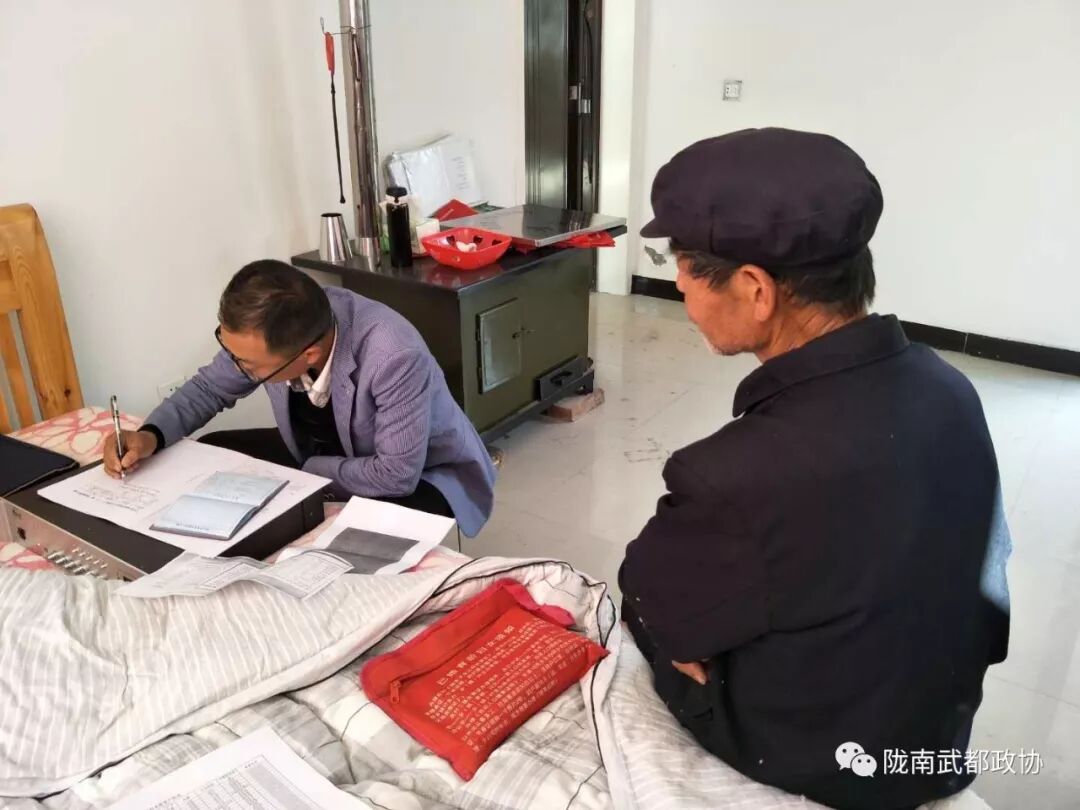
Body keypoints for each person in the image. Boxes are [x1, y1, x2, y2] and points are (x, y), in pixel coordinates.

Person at [619, 128, 1011, 810]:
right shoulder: (948, 388)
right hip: (933, 735)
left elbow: (654, 596)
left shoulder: (736, 474)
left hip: (826, 758)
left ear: (755, 289)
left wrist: (674, 632)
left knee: (642, 616)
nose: (677, 284)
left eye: (682, 264)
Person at [104, 259, 496, 537]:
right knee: (215, 447)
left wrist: (306, 475)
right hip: (330, 450)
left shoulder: (394, 356)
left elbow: (396, 474)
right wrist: (151, 435)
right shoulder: (279, 326)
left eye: (247, 365)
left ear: (308, 355)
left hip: (421, 472)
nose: (237, 367)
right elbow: (209, 388)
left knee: (348, 546)